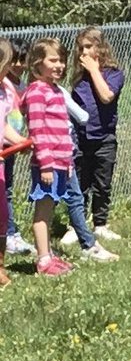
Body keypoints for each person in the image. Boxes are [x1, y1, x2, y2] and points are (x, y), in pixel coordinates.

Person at [22, 38, 76, 276]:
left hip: (61, 162)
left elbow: (62, 130)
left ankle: (49, 257)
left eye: (62, 60)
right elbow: (38, 132)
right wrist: (45, 164)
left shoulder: (54, 90)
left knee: (50, 208)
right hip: (48, 163)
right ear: (37, 63)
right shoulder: (36, 92)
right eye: (53, 60)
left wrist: (68, 162)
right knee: (42, 211)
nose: (59, 65)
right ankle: (43, 260)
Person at [68, 26, 124, 241]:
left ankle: (100, 224)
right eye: (80, 47)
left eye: (88, 47)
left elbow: (106, 96)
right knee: (80, 183)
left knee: (102, 183)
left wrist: (94, 70)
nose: (83, 52)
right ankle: (76, 226)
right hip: (81, 139)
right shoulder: (78, 79)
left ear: (100, 48)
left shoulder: (114, 73)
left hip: (104, 138)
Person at [0, 39, 29, 287]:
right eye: (8, 62)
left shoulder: (4, 91)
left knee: (1, 212)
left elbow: (4, 125)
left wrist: (21, 141)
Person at [3, 38, 33, 257]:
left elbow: (3, 124)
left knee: (4, 201)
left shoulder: (8, 88)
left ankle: (7, 244)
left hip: (4, 156)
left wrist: (20, 141)